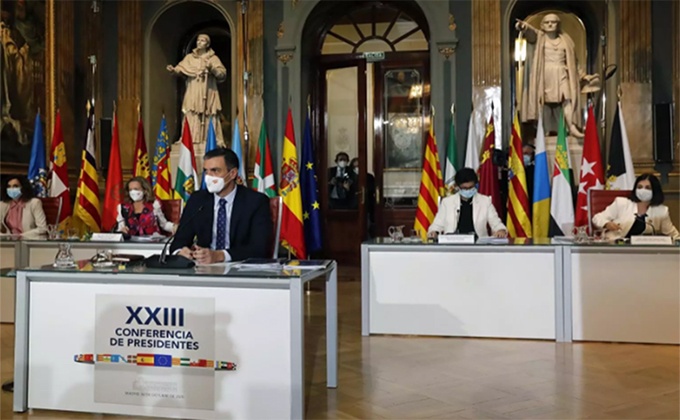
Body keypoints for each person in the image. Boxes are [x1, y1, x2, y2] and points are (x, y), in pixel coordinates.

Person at [170, 147, 272, 263]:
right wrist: (180, 251)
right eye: (206, 171)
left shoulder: (255, 201)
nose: (208, 177)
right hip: (204, 269)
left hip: (240, 269)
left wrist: (219, 256)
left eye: (215, 171)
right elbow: (177, 242)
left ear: (232, 173)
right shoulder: (197, 200)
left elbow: (260, 248)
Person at [516, 13, 593, 138]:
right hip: (545, 74)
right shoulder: (540, 37)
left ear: (558, 24)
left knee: (567, 98)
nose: (550, 24)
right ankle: (543, 130)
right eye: (547, 22)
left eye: (553, 22)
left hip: (562, 73)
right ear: (542, 25)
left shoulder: (566, 41)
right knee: (543, 102)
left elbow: (574, 62)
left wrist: (582, 75)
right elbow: (531, 33)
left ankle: (572, 127)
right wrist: (524, 27)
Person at [167, 34, 227, 145]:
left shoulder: (213, 59)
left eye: (203, 40)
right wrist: (174, 70)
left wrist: (212, 68)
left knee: (210, 112)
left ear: (207, 44)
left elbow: (222, 74)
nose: (199, 42)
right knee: (190, 111)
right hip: (193, 90)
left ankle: (211, 140)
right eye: (198, 40)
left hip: (208, 91)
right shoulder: (190, 58)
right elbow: (181, 68)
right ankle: (187, 139)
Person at [592, 173, 680, 240]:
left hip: (644, 254)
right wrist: (606, 224)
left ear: (655, 191)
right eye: (640, 187)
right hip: (617, 248)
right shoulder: (621, 203)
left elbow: (674, 235)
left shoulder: (662, 211)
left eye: (647, 188)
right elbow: (597, 218)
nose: (643, 190)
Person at [427, 168, 508, 238]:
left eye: (471, 187)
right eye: (464, 188)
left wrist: (500, 230)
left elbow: (496, 223)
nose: (468, 191)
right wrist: (434, 232)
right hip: (452, 245)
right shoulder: (447, 202)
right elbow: (436, 226)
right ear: (457, 187)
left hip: (478, 245)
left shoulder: (485, 201)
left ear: (475, 185)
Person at [523, 143, 535, 209]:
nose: (524, 156)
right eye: (523, 153)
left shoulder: (535, 169)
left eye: (527, 153)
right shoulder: (519, 169)